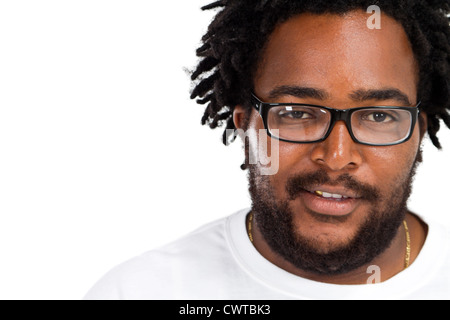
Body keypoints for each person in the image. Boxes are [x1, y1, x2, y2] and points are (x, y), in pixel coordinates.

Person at [85, 0, 450, 299]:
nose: (337, 156)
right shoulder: (139, 291)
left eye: (379, 115)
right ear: (244, 125)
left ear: (418, 132)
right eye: (296, 113)